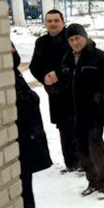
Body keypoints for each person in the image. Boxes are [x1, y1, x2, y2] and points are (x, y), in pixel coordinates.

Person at [59, 24, 104, 196]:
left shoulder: (100, 58)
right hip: (74, 115)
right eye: (71, 40)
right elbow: (63, 87)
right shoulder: (66, 60)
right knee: (82, 150)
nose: (75, 42)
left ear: (85, 37)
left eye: (77, 38)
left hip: (94, 114)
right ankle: (92, 181)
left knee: (95, 149)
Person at [29, 9, 81, 173]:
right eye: (49, 21)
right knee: (64, 128)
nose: (52, 24)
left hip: (75, 91)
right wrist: (43, 77)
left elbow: (78, 61)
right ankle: (71, 164)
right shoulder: (42, 42)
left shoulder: (71, 39)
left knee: (80, 128)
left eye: (56, 21)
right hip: (56, 94)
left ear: (63, 22)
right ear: (45, 23)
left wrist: (58, 74)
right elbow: (34, 66)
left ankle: (86, 164)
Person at [12, 43, 52, 208]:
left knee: (26, 199)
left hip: (25, 147)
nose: (12, 52)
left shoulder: (14, 76)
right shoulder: (4, 80)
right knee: (23, 200)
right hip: (18, 149)